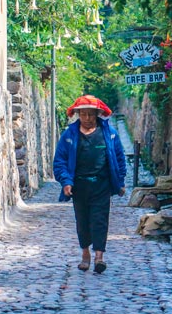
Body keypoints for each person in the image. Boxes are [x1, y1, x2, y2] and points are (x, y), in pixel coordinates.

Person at [53, 95, 127, 273]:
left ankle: (99, 257)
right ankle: (85, 254)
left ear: (97, 115)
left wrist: (120, 181)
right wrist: (66, 181)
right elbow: (60, 161)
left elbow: (119, 158)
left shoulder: (109, 134)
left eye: (91, 115)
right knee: (83, 221)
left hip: (102, 185)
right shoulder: (69, 135)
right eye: (83, 114)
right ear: (78, 115)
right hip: (79, 186)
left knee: (100, 220)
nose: (87, 118)